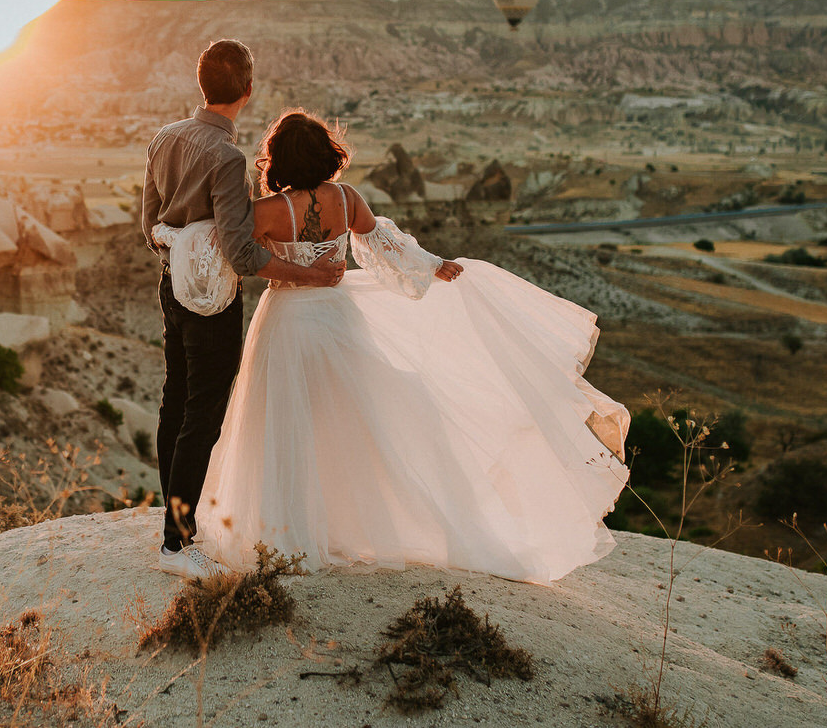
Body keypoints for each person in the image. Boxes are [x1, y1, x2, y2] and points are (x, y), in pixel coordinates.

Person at [193, 109, 630, 584]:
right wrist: (433, 265)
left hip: (287, 322)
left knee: (281, 423)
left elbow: (236, 254)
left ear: (276, 160)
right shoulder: (346, 198)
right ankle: (345, 524)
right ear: (324, 153)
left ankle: (285, 534)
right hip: (339, 320)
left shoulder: (269, 212)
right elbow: (382, 242)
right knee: (346, 420)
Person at [141, 41, 344, 580]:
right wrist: (309, 273)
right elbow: (241, 251)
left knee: (176, 400)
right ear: (248, 91)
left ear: (201, 83)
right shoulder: (227, 157)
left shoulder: (164, 138)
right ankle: (177, 543)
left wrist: (181, 252)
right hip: (213, 300)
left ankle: (176, 523)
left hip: (172, 285)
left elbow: (149, 223)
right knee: (203, 415)